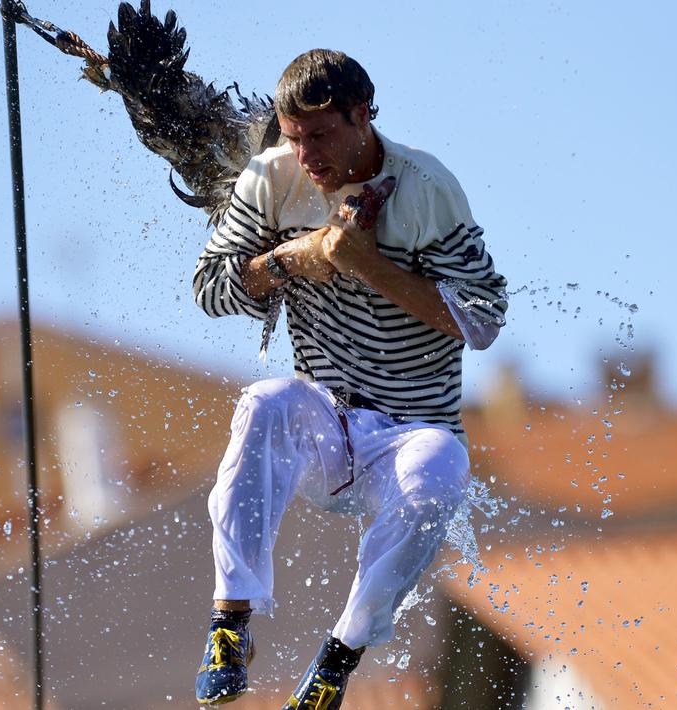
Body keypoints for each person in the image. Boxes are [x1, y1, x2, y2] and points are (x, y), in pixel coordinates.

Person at [191, 48, 508, 708]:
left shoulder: (427, 188)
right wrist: (289, 260)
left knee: (444, 464)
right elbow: (210, 291)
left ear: (363, 116)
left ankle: (337, 662)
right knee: (266, 398)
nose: (305, 156)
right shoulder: (272, 178)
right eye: (293, 137)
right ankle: (230, 623)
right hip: (324, 429)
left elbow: (483, 319)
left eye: (320, 136)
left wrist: (364, 262)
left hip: (409, 438)